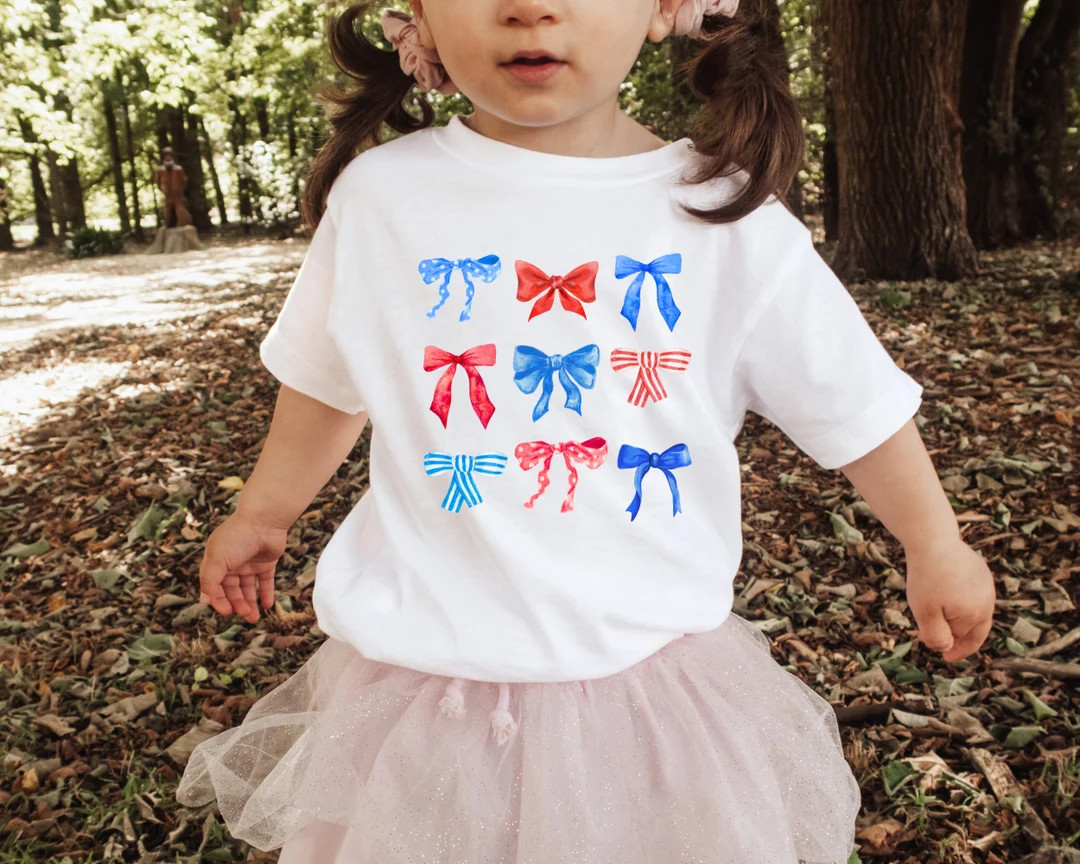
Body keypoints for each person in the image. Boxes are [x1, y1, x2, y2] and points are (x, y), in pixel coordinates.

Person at [175, 1, 997, 861]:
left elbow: (852, 400)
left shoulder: (724, 214)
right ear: (418, 14)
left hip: (650, 706)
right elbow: (327, 379)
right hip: (423, 695)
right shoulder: (383, 197)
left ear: (663, 8)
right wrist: (266, 513)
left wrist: (934, 542)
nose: (529, 7)